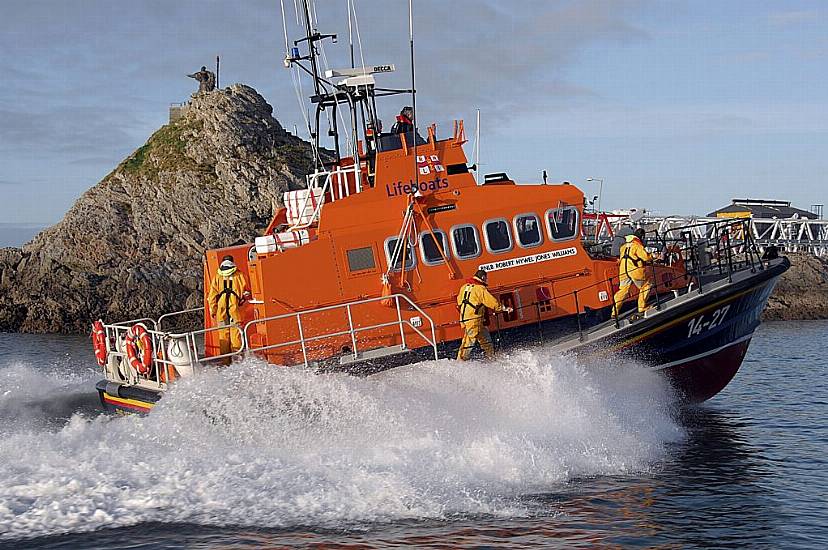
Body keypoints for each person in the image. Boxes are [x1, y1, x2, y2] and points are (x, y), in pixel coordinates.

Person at [456, 270, 512, 360]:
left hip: (467, 318)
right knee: (468, 341)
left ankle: (490, 356)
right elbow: (492, 303)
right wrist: (504, 308)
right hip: (474, 320)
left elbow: (459, 302)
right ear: (483, 277)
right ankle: (461, 360)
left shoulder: (464, 287)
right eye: (486, 278)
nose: (486, 280)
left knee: (485, 337)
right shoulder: (480, 289)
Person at [207, 255, 249, 356]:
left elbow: (212, 296)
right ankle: (237, 359)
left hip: (221, 310)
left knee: (223, 335)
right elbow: (246, 292)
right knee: (236, 333)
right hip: (235, 309)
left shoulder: (217, 276)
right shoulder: (239, 275)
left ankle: (225, 361)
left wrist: (213, 310)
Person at [612, 228, 655, 320]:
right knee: (646, 286)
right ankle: (641, 308)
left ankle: (614, 312)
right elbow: (646, 257)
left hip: (623, 271)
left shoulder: (624, 246)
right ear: (642, 237)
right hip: (635, 270)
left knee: (623, 290)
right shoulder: (637, 246)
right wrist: (653, 256)